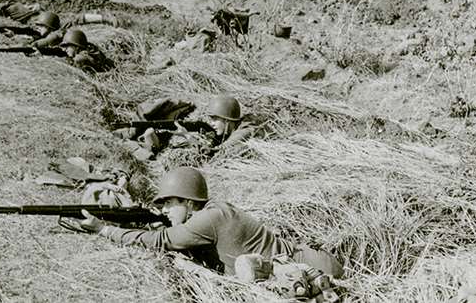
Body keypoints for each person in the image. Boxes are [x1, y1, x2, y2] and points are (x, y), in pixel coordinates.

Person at [76, 167, 344, 280]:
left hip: (315, 269)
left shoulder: (208, 219)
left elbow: (161, 241)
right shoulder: (211, 211)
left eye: (170, 203)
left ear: (190, 202)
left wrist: (104, 229)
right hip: (308, 261)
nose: (166, 210)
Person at [115, 95, 255, 161]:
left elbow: (216, 153)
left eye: (215, 119)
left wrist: (187, 135)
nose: (211, 123)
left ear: (228, 120)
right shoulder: (229, 130)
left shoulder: (245, 131)